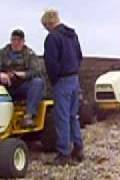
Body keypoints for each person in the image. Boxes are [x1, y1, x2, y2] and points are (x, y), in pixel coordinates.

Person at [41, 9, 84, 165]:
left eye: (45, 26)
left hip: (62, 81)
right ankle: (78, 148)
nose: (46, 29)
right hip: (75, 79)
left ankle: (63, 154)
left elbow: (51, 63)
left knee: (62, 118)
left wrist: (54, 80)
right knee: (73, 116)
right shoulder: (72, 35)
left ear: (49, 23)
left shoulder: (52, 38)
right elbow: (80, 57)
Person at [0, 29, 44, 128]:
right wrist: (2, 75)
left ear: (23, 41)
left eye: (19, 40)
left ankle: (29, 116)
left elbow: (37, 71)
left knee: (37, 82)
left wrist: (23, 74)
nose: (16, 43)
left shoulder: (29, 54)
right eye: (13, 40)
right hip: (5, 87)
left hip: (22, 86)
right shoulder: (2, 53)